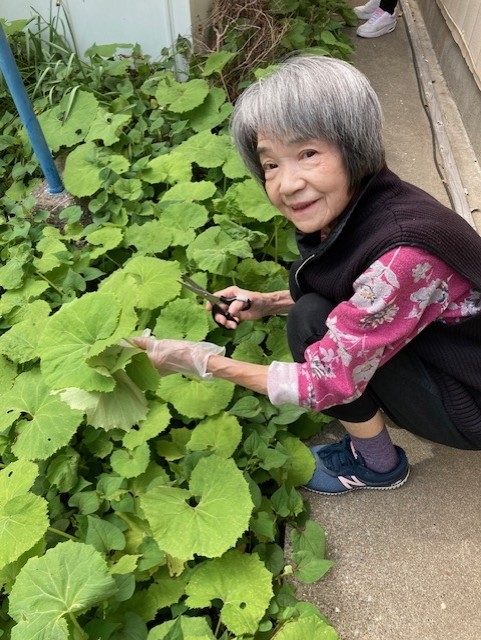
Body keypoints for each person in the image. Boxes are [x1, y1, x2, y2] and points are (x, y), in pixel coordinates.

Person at [133, 56, 481, 496]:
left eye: (307, 154)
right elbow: (362, 295)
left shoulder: (403, 252)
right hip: (452, 352)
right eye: (270, 165)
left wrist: (199, 361)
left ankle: (378, 465)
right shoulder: (370, 199)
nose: (287, 184)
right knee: (311, 311)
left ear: (354, 147)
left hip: (471, 401)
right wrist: (268, 302)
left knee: (311, 325)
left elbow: (323, 381)